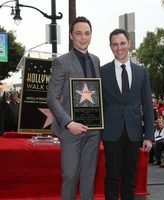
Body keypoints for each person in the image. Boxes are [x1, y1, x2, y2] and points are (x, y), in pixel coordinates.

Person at [47, 16, 101, 200]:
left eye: (86, 33)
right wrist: (69, 122)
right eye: (78, 33)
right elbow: (51, 98)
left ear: (91, 36)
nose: (83, 37)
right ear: (71, 35)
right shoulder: (61, 62)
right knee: (70, 176)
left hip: (93, 130)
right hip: (71, 130)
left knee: (88, 177)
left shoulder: (96, 60)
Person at [100, 28, 154, 200]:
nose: (119, 47)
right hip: (110, 133)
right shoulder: (102, 72)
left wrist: (149, 135)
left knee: (130, 179)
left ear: (129, 44)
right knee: (112, 178)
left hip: (134, 133)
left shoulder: (141, 72)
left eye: (122, 43)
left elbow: (147, 105)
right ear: (110, 47)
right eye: (115, 44)